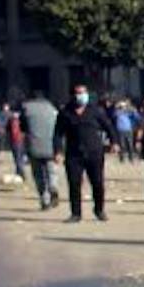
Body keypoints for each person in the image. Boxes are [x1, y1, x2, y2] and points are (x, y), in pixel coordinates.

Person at [53, 81, 116, 222]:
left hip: (94, 152)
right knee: (74, 183)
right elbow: (58, 133)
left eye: (83, 93)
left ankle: (99, 210)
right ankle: (76, 213)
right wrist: (58, 151)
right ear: (73, 95)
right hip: (74, 154)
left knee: (97, 182)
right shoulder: (65, 113)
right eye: (78, 93)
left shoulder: (95, 111)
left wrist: (114, 142)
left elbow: (109, 127)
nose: (81, 96)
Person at [20, 90, 60, 210]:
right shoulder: (52, 108)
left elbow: (23, 126)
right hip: (50, 144)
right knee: (51, 170)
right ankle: (53, 186)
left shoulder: (26, 108)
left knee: (38, 174)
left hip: (34, 144)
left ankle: (45, 199)